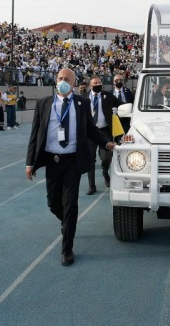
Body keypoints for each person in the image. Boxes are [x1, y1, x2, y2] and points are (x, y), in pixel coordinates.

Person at [25, 67, 115, 266]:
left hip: (72, 162)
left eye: (66, 78)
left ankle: (67, 249)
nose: (62, 81)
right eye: (59, 78)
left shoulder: (82, 103)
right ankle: (66, 223)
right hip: (52, 161)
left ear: (74, 83)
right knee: (53, 203)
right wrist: (29, 163)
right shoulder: (43, 104)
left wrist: (106, 143)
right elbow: (34, 135)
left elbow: (91, 130)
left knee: (71, 205)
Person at [85, 76, 122, 194]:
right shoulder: (84, 97)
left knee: (107, 157)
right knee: (90, 159)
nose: (97, 85)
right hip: (90, 132)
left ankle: (105, 171)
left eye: (99, 83)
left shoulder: (108, 95)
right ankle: (91, 185)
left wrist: (118, 110)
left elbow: (122, 104)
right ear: (90, 85)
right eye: (95, 83)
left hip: (104, 131)